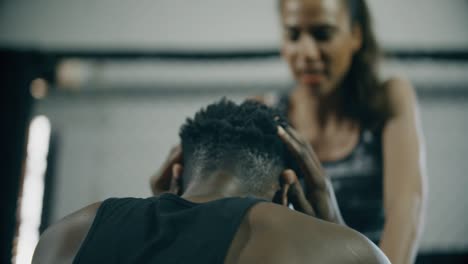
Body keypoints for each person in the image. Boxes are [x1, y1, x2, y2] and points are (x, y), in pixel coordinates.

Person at [152, 1, 428, 263]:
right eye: (293, 35)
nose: (306, 52)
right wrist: (169, 211)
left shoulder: (390, 98)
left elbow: (407, 206)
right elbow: (236, 224)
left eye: (322, 34)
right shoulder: (264, 112)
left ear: (355, 35)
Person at [33, 100, 389, 264]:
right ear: (286, 189)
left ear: (175, 173)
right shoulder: (342, 253)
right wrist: (336, 226)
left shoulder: (64, 237)